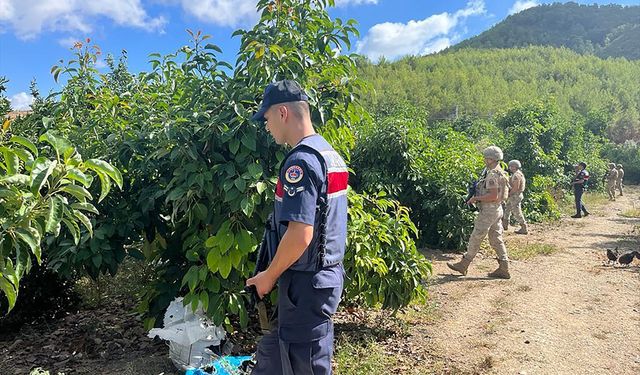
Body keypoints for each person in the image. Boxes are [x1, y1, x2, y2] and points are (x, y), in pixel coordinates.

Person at [246, 80, 348, 375]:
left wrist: (268, 276)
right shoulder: (329, 154)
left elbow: (300, 233)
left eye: (266, 119)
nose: (266, 126)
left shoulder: (300, 162)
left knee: (303, 363)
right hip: (325, 276)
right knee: (293, 357)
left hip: (306, 282)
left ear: (282, 113)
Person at [447, 146, 511, 279]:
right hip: (497, 209)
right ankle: (504, 267)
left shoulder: (493, 175)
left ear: (491, 159)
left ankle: (464, 264)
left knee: (476, 236)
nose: (484, 160)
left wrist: (476, 198)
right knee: (496, 239)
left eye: (486, 157)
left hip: (489, 210)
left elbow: (493, 195)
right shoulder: (501, 172)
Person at [502, 159, 528, 235]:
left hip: (515, 195)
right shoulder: (517, 174)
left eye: (511, 166)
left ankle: (523, 227)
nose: (510, 167)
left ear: (515, 167)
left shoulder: (516, 175)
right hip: (514, 195)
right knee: (507, 209)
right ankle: (505, 225)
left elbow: (516, 188)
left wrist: (509, 194)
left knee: (516, 211)